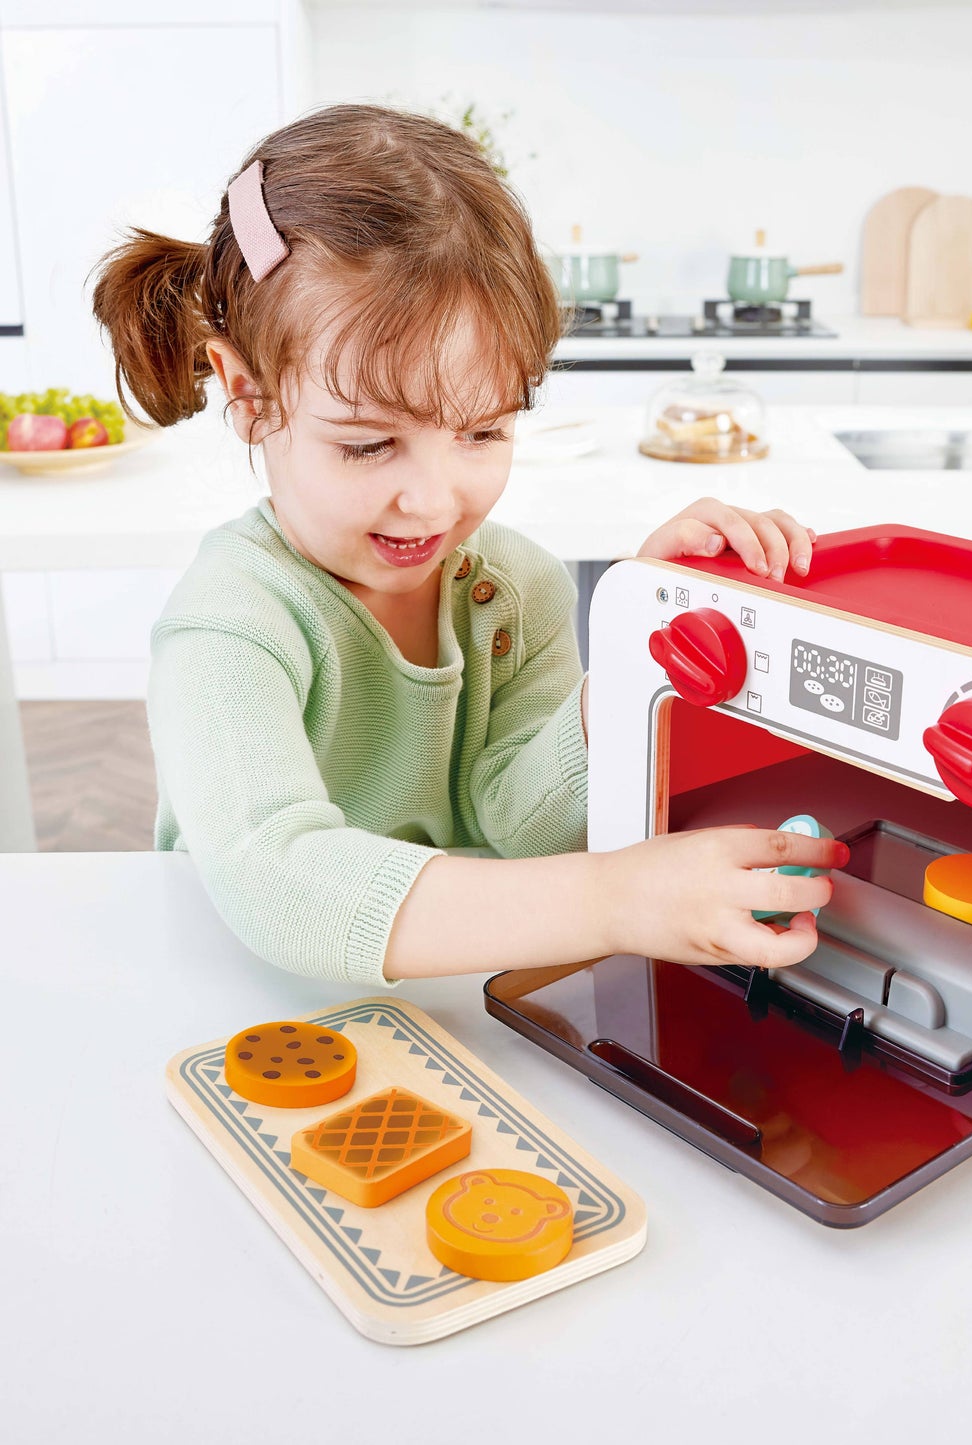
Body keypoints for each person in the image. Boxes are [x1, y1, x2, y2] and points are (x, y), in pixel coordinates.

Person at [90, 103, 846, 988]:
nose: (435, 500)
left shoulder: (515, 586)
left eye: (482, 432)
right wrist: (613, 899)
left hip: (448, 1003)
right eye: (368, 444)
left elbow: (522, 824)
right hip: (243, 1004)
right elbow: (275, 878)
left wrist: (632, 671)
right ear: (248, 395)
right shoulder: (231, 619)